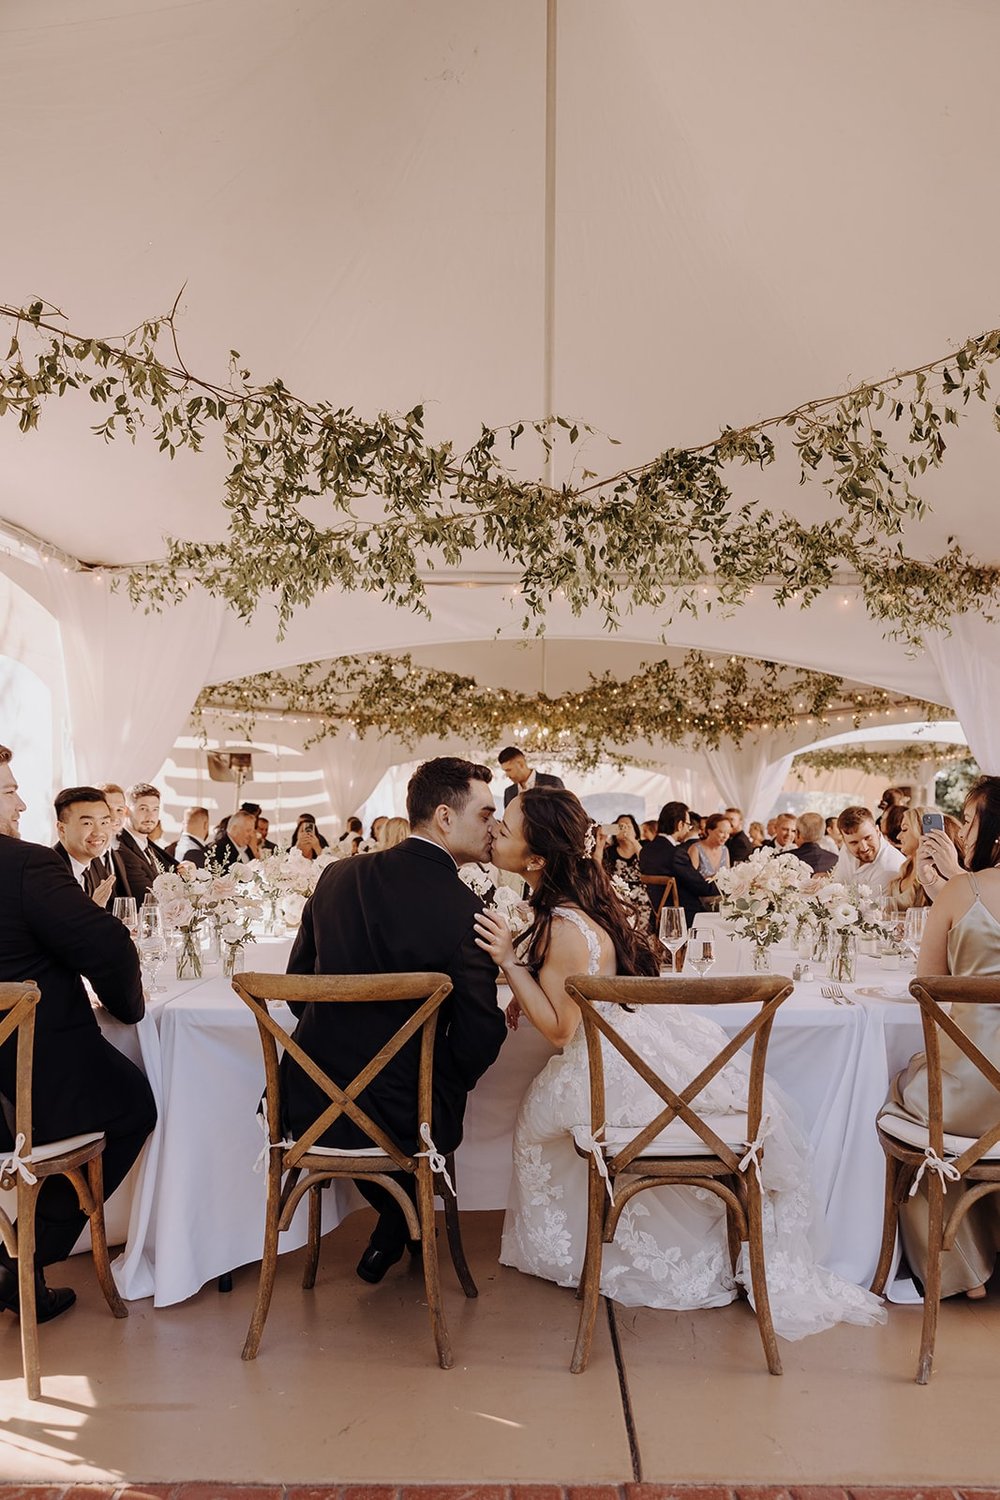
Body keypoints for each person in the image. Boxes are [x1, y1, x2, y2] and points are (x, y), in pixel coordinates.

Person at [474, 787, 884, 1338]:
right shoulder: (568, 914)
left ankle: (593, 1246)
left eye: (507, 824)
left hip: (600, 1063)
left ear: (539, 857)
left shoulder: (562, 926)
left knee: (534, 1120)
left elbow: (560, 1031)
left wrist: (509, 964)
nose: (496, 829)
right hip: (632, 1045)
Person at [283, 757, 507, 1284]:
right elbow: (480, 1035)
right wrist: (433, 1077)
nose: (494, 826)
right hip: (406, 1113)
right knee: (442, 1092)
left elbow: (299, 990)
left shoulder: (336, 877)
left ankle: (396, 1224)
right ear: (446, 818)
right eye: (486, 814)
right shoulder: (465, 910)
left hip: (310, 1100)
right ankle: (404, 1221)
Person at [0, 744, 156, 1323]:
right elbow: (109, 945)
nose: (19, 802)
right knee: (132, 1106)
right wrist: (129, 1012)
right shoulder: (24, 865)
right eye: (10, 789)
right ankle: (20, 1258)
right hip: (30, 1077)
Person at [882, 776, 1000, 1298]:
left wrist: (952, 888)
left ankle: (961, 1266)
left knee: (908, 1092)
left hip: (970, 1098)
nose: (965, 829)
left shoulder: (961, 891)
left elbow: (925, 988)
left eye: (971, 819)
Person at [639, 801, 718, 927]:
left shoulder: (645, 851)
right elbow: (701, 887)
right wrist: (725, 885)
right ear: (680, 824)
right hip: (683, 919)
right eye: (688, 824)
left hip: (657, 917)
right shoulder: (675, 854)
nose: (688, 829)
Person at [886, 807, 963, 910]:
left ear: (922, 831)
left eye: (904, 829)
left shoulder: (938, 874)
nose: (898, 837)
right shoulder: (904, 869)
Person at [52, 786, 117, 904]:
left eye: (104, 822)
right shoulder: (49, 870)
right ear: (62, 829)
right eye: (87, 823)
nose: (98, 832)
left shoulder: (96, 865)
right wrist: (94, 911)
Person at [117, 782, 177, 900]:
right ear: (126, 811)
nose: (150, 816)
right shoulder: (121, 848)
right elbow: (146, 897)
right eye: (143, 809)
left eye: (155, 809)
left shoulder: (148, 846)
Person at [831, 805, 905, 895]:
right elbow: (837, 888)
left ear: (877, 831)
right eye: (854, 843)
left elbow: (871, 907)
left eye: (867, 838)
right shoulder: (845, 849)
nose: (864, 848)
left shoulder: (889, 867)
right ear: (844, 841)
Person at [601, 814, 652, 928]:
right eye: (620, 827)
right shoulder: (609, 852)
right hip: (619, 901)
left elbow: (648, 865)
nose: (624, 830)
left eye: (628, 826)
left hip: (644, 899)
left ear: (635, 830)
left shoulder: (644, 846)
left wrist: (633, 841)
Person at [498, 746, 565, 808]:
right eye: (505, 771)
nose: (507, 775)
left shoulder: (552, 783)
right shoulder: (509, 792)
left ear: (521, 764)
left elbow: (564, 813)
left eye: (509, 770)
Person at [687, 812, 732, 878]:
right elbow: (689, 878)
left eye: (728, 833)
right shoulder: (696, 849)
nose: (725, 836)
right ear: (709, 831)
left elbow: (728, 878)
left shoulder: (725, 849)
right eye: (721, 832)